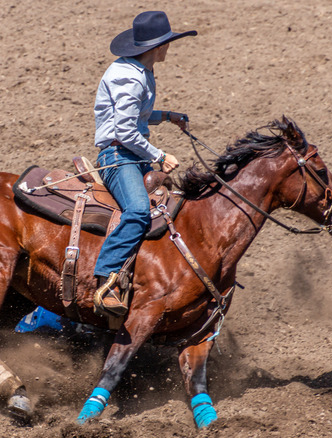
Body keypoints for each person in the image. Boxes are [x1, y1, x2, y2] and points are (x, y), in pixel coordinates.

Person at [93, 11, 196, 316]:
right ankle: (105, 279)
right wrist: (159, 156)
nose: (168, 48)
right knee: (138, 213)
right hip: (118, 157)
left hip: (131, 155)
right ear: (156, 46)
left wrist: (164, 116)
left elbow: (134, 114)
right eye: (166, 42)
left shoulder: (140, 70)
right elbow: (124, 131)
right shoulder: (131, 77)